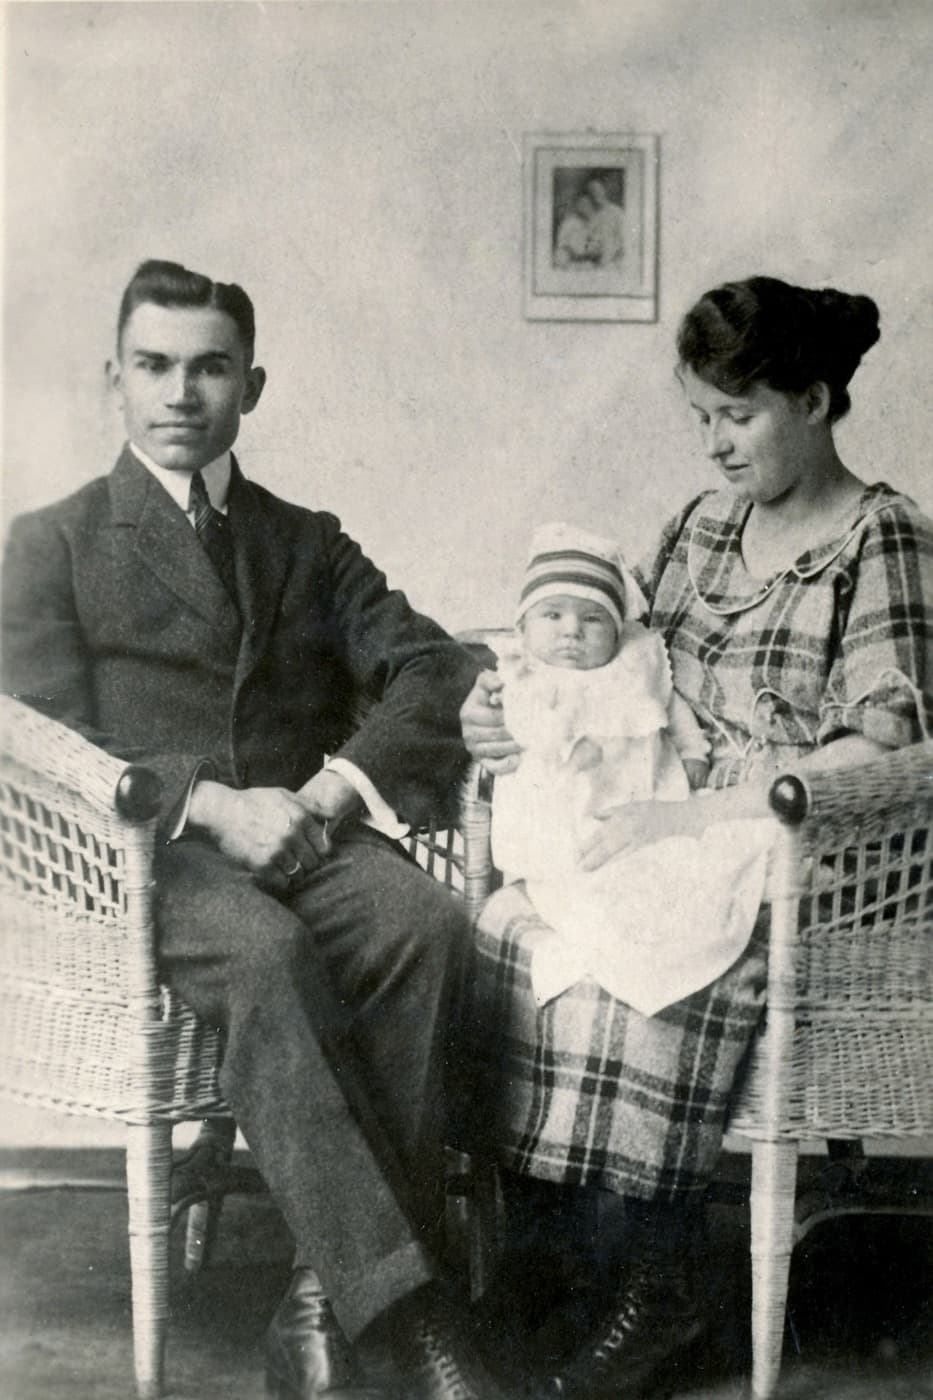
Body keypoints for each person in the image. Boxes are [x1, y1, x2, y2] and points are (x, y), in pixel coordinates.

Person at [1, 260, 507, 1400]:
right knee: (267, 954)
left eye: (210, 367)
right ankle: (405, 1311)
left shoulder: (303, 539)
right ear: (113, 382)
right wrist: (208, 804)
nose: (182, 392)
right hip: (141, 860)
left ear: (253, 385)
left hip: (302, 836)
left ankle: (318, 1299)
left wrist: (326, 796)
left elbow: (437, 666)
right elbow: (33, 728)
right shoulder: (56, 541)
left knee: (424, 923)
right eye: (156, 366)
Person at [458, 275, 933, 1399]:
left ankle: (658, 1278)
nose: (714, 446)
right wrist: (512, 706)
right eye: (700, 418)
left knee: (650, 947)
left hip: (805, 850)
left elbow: (889, 750)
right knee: (521, 925)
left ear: (815, 402)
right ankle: (561, 1261)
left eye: (739, 416)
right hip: (665, 813)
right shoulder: (699, 529)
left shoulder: (883, 535)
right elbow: (621, 671)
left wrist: (690, 816)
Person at [489, 520, 774, 1019]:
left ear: (617, 628)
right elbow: (527, 728)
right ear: (524, 626)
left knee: (664, 877)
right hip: (564, 811)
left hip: (648, 804)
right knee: (582, 876)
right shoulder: (527, 674)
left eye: (593, 619)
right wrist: (566, 747)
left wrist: (694, 755)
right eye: (552, 615)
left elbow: (673, 711)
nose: (572, 631)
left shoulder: (634, 665)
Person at [584, 178, 624, 268]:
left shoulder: (617, 212)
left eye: (597, 190)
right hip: (595, 262)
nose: (595, 194)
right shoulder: (591, 215)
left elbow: (623, 240)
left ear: (604, 191)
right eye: (591, 191)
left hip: (614, 262)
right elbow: (589, 241)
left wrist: (611, 255)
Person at [553, 193, 597, 269]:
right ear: (577, 206)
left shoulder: (594, 222)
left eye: (586, 204)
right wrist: (572, 253)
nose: (584, 207)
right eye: (581, 204)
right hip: (569, 259)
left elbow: (595, 244)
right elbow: (562, 243)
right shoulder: (569, 222)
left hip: (587, 260)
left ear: (591, 205)